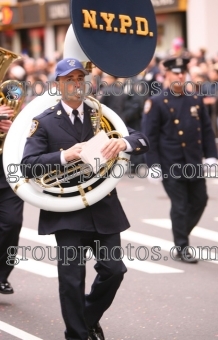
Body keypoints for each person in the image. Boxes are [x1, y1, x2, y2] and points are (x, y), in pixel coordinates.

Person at [21, 58, 149, 340]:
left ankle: (88, 318)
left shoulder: (100, 113)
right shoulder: (42, 122)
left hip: (103, 207)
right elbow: (28, 165)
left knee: (114, 270)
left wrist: (124, 143)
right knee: (71, 281)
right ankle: (77, 335)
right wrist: (65, 155)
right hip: (66, 212)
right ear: (58, 85)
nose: (77, 84)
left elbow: (140, 138)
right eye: (70, 79)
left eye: (81, 78)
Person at [142, 55, 218, 264]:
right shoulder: (156, 102)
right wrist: (153, 165)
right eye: (175, 73)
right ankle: (182, 246)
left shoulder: (194, 99)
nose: (179, 76)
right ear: (166, 74)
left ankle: (180, 236)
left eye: (182, 73)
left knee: (200, 201)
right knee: (181, 205)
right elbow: (151, 136)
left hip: (193, 162)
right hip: (171, 164)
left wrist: (211, 155)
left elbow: (206, 130)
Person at [0, 105, 24, 294]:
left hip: (8, 173)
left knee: (12, 223)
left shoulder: (10, 92)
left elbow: (29, 125)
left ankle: (2, 276)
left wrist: (15, 127)